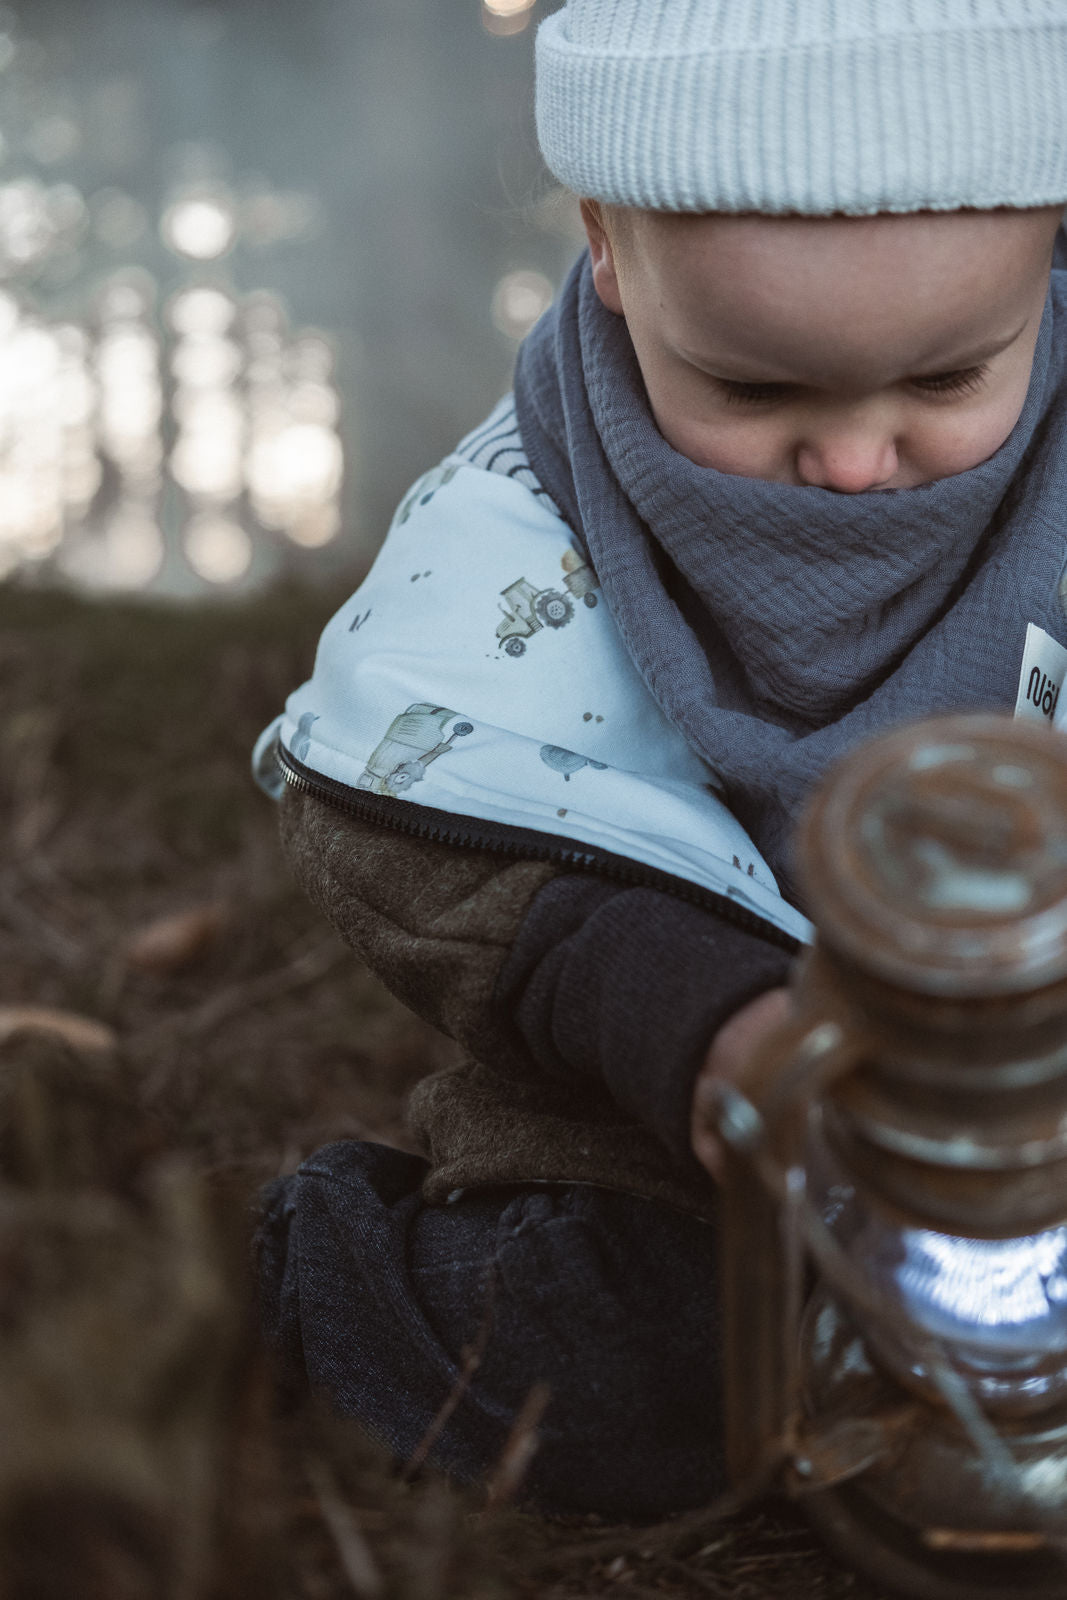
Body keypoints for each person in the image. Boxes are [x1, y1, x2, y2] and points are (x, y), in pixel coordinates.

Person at [254, 0, 1067, 1521]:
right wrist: (691, 1021)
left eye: (950, 379)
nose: (850, 459)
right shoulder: (524, 533)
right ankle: (321, 1268)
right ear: (613, 250)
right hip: (676, 1138)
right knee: (608, 1355)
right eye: (757, 391)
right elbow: (428, 827)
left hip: (1032, 1107)